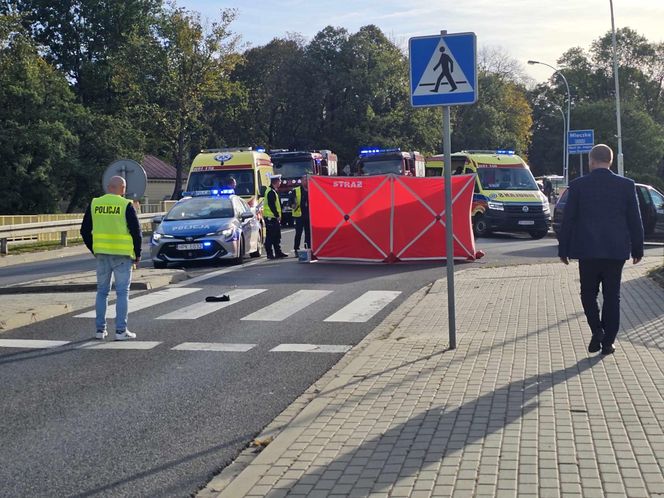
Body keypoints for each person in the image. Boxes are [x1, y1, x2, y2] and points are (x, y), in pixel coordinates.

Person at [558, 144, 644, 356]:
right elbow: (635, 220)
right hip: (616, 251)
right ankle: (608, 342)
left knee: (588, 293)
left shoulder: (578, 186)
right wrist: (638, 249)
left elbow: (568, 220)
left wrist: (564, 249)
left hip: (587, 250)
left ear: (591, 161)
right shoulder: (626, 185)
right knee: (612, 296)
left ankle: (597, 330)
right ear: (610, 161)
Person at [80, 176, 142, 341]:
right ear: (122, 188)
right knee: (122, 293)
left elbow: (84, 230)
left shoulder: (95, 203)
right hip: (122, 256)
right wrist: (138, 253)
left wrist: (93, 248)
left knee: (102, 292)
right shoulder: (125, 205)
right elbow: (136, 231)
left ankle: (100, 330)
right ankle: (121, 331)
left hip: (102, 255)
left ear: (109, 187)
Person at [263, 174, 288, 260]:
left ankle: (278, 252)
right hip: (271, 218)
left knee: (276, 236)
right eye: (279, 181)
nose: (280, 183)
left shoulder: (272, 191)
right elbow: (272, 205)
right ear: (276, 182)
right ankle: (270, 254)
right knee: (270, 237)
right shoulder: (270, 192)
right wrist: (277, 215)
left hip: (273, 218)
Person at [289, 175, 310, 254]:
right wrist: (293, 205)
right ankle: (296, 249)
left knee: (308, 233)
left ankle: (308, 248)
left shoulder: (311, 189)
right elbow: (290, 201)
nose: (306, 181)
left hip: (308, 215)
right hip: (299, 215)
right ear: (301, 181)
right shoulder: (296, 190)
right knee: (298, 233)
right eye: (305, 180)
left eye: (307, 180)